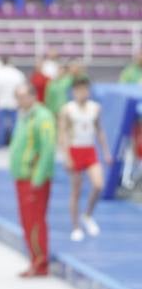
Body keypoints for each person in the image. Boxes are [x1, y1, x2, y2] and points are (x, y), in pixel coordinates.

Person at [9, 82, 56, 278]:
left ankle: (40, 263)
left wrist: (38, 177)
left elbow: (48, 149)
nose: (18, 101)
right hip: (22, 177)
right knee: (27, 222)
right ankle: (34, 259)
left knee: (35, 222)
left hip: (33, 178)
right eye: (17, 97)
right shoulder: (25, 116)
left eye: (21, 97)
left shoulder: (42, 117)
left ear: (32, 96)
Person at [58, 76, 112, 241]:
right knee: (76, 191)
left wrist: (106, 152)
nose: (83, 93)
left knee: (98, 185)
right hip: (74, 150)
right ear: (74, 92)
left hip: (89, 150)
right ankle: (75, 227)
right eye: (79, 90)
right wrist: (66, 156)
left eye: (85, 90)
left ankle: (87, 215)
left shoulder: (95, 108)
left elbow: (99, 130)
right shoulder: (67, 110)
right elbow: (63, 134)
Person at [0, 57, 26, 148]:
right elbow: (21, 90)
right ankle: (15, 144)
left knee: (0, 125)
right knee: (15, 125)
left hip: (1, 102)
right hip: (14, 102)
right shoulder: (18, 74)